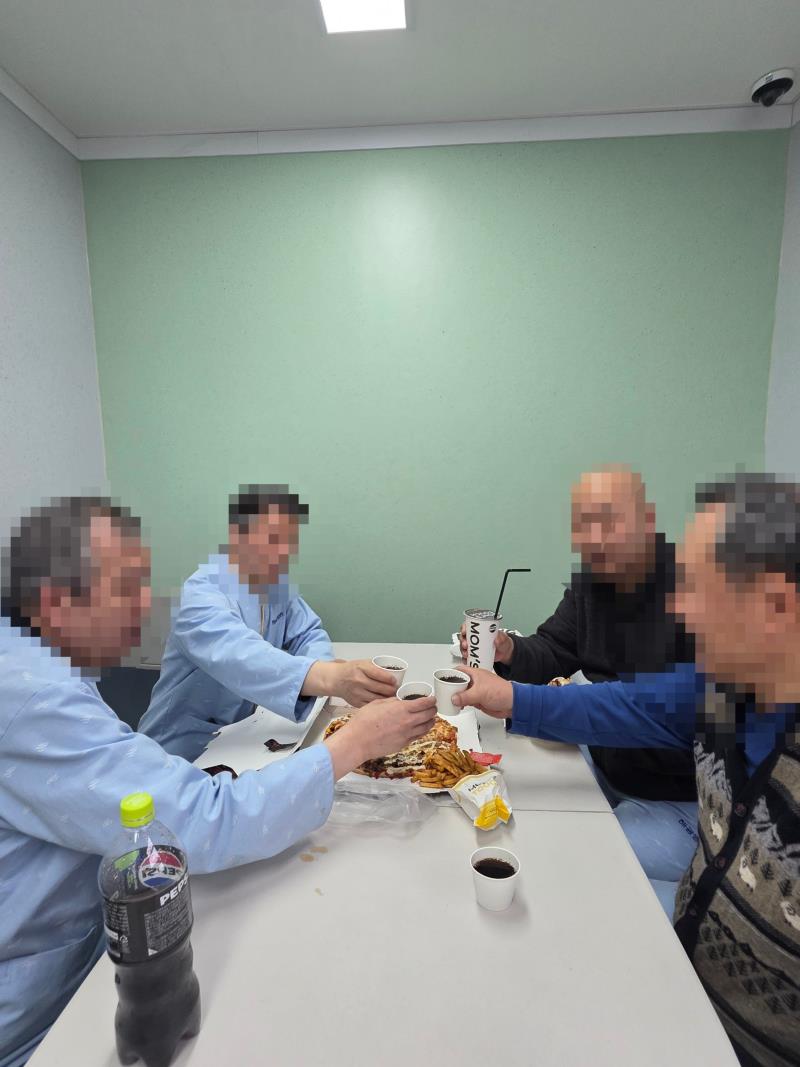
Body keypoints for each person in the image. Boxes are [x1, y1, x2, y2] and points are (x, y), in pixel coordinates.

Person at [0, 496, 436, 1067]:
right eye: (126, 587)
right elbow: (203, 814)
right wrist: (353, 738)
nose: (145, 606)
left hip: (234, 759)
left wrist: (326, 676)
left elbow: (308, 634)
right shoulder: (42, 695)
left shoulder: (273, 589)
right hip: (38, 1009)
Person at [454, 473, 800, 1066]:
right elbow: (620, 705)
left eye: (699, 587)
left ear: (773, 605)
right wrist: (506, 687)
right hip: (686, 977)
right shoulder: (718, 691)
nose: (681, 607)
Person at [460, 467, 698, 912]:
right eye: (583, 523)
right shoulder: (592, 583)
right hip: (607, 764)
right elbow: (555, 648)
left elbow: (641, 710)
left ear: (647, 520)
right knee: (511, 814)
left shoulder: (692, 594)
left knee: (579, 861)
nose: (595, 537)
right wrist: (511, 650)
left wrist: (514, 700)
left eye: (609, 520)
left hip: (677, 798)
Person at [140, 485, 401, 760]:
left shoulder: (273, 586)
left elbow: (308, 632)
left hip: (239, 741)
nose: (284, 551)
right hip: (179, 749)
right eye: (273, 538)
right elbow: (242, 657)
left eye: (289, 540)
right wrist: (330, 678)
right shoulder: (199, 596)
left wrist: (324, 667)